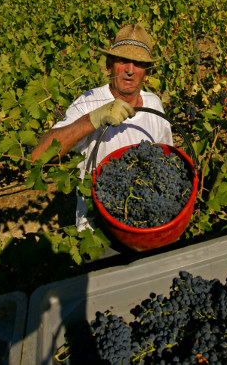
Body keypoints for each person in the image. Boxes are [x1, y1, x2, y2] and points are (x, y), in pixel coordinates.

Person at [30, 23, 173, 231]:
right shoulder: (88, 102)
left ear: (147, 71)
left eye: (139, 63)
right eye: (123, 61)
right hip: (98, 228)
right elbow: (38, 157)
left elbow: (166, 163)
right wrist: (92, 119)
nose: (130, 70)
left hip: (147, 223)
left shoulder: (154, 104)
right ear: (109, 65)